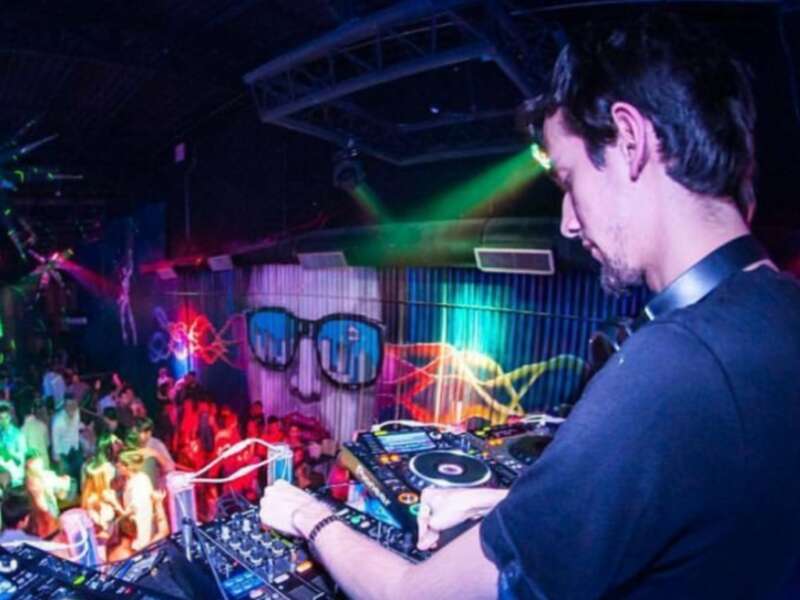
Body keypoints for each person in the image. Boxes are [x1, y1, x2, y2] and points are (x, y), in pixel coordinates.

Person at [259, 13, 800, 599]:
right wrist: (506, 507)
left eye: (567, 180)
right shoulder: (778, 315)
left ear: (630, 140)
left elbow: (416, 595)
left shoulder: (672, 369)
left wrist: (306, 515)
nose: (567, 222)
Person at [50, 397, 84, 488]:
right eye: (69, 406)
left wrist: (82, 426)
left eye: (74, 405)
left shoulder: (77, 413)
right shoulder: (58, 421)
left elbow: (76, 426)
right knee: (66, 477)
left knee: (79, 472)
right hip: (63, 451)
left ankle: (79, 489)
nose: (72, 408)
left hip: (75, 447)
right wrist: (56, 457)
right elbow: (55, 439)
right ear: (65, 407)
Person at [0, 401, 26, 486]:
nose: (4, 421)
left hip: (16, 478)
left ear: (10, 417)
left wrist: (8, 454)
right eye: (1, 418)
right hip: (2, 476)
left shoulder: (18, 434)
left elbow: (22, 459)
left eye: (6, 417)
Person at [21, 399, 50, 470]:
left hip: (33, 464)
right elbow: (47, 444)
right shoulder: (42, 425)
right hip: (44, 461)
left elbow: (23, 449)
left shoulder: (23, 429)